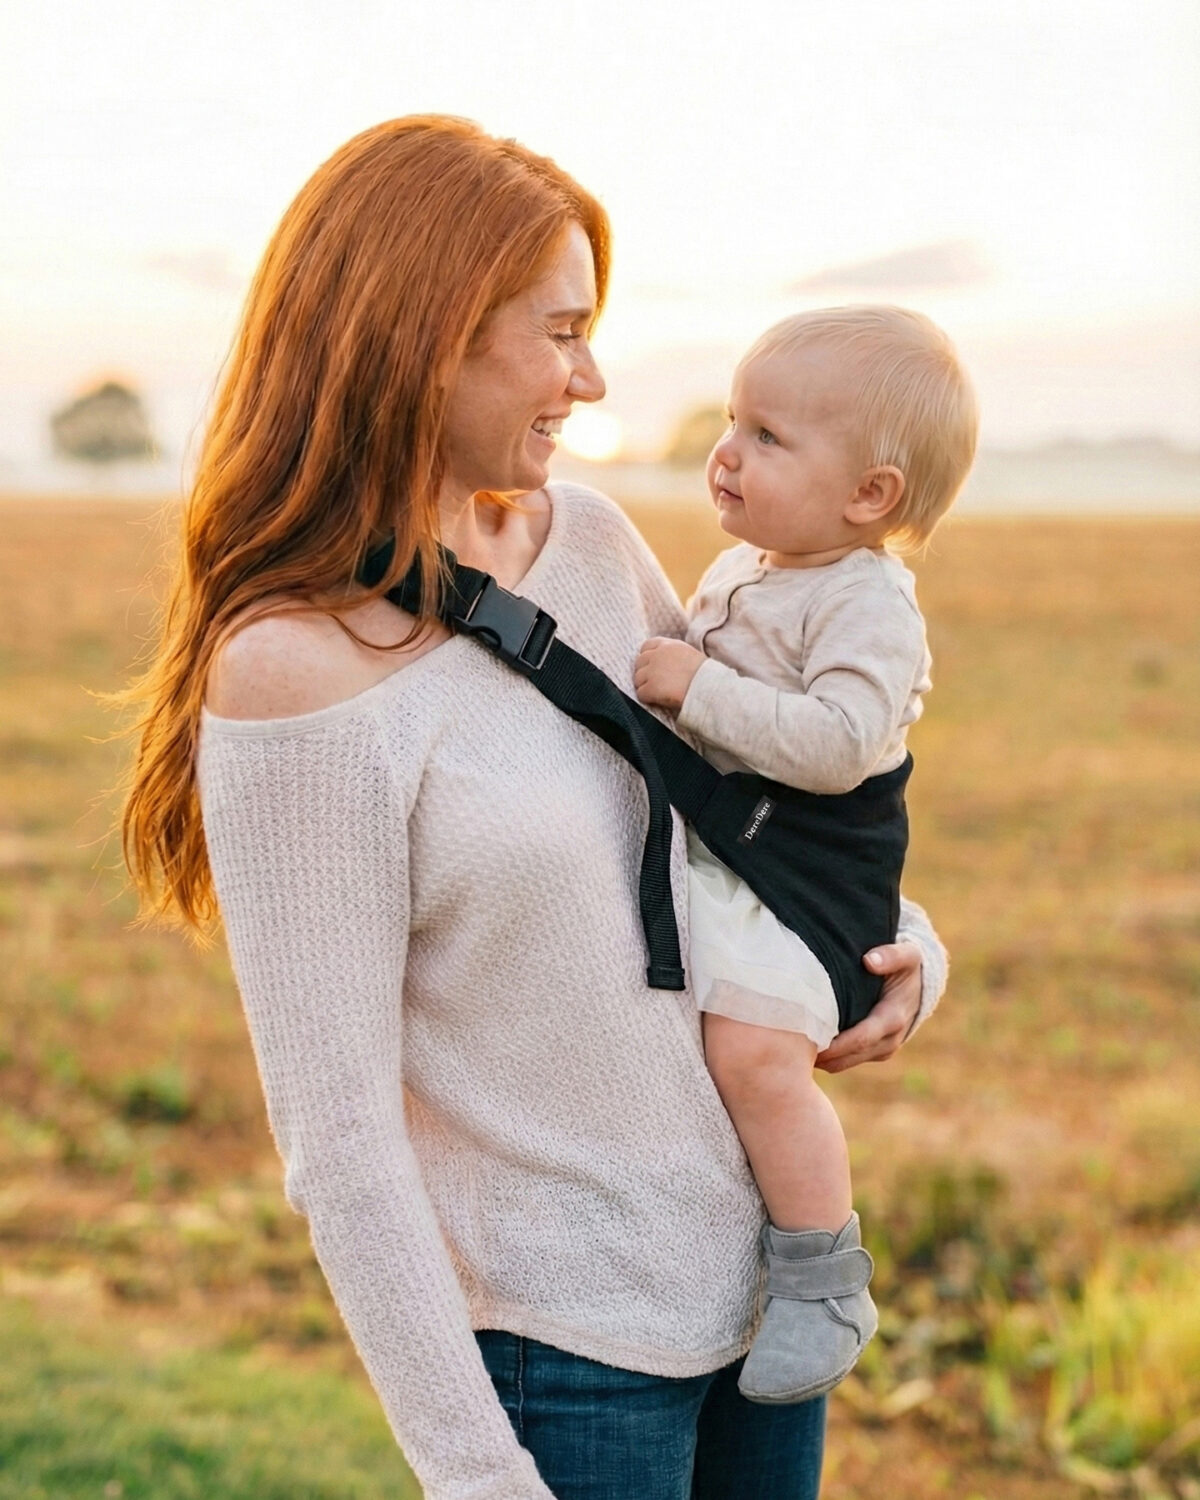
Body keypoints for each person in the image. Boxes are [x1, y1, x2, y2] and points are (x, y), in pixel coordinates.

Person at [122, 116, 949, 1500]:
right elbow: (339, 1145)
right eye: (560, 332)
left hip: (756, 1310)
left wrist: (905, 942)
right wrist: (474, 1471)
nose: (593, 375)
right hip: (562, 1363)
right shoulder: (290, 679)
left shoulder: (597, 545)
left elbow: (745, 813)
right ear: (424, 333)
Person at [633, 307, 977, 1407]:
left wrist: (696, 687)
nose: (726, 449)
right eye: (734, 420)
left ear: (869, 496)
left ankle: (824, 1276)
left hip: (801, 880)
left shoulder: (866, 603)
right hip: (744, 864)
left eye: (769, 436)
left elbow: (837, 749)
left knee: (755, 1053)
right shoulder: (756, 564)